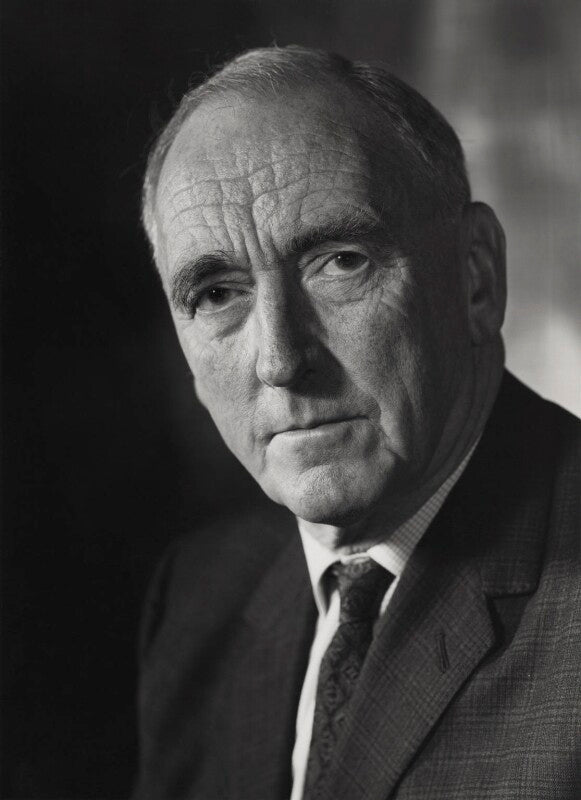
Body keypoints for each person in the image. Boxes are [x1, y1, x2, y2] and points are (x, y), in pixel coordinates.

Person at [133, 46, 580, 799]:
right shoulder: (199, 598)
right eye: (217, 294)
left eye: (339, 261)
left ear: (476, 276)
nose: (280, 359)